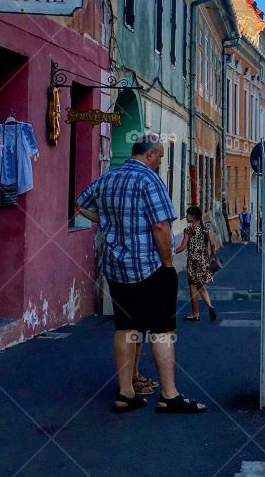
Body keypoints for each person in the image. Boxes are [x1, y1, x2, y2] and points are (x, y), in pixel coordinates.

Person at [74, 134, 206, 415]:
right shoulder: (149, 180)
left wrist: (107, 220)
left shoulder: (108, 178)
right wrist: (168, 263)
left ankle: (126, 393)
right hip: (150, 266)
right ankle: (169, 395)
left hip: (116, 267)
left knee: (125, 327)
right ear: (149, 155)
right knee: (162, 330)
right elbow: (160, 226)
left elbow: (80, 203)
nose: (160, 161)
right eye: (159, 156)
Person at [177, 206, 218, 322]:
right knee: (201, 286)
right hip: (204, 260)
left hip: (193, 262)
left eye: (188, 215)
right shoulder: (206, 228)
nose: (186, 217)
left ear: (193, 217)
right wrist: (212, 255)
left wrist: (170, 251)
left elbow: (182, 247)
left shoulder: (189, 230)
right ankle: (210, 306)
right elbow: (213, 243)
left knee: (193, 288)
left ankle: (195, 313)